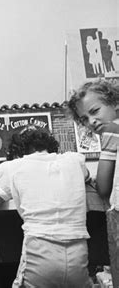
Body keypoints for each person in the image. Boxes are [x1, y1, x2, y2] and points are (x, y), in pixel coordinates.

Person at [0, 126, 92, 288]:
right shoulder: (74, 160)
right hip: (78, 251)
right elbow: (87, 177)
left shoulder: (14, 167)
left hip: (39, 251)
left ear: (17, 151)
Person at [67, 79, 119, 288]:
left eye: (95, 111)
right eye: (85, 119)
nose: (92, 121)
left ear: (114, 102)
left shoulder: (112, 133)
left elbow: (103, 188)